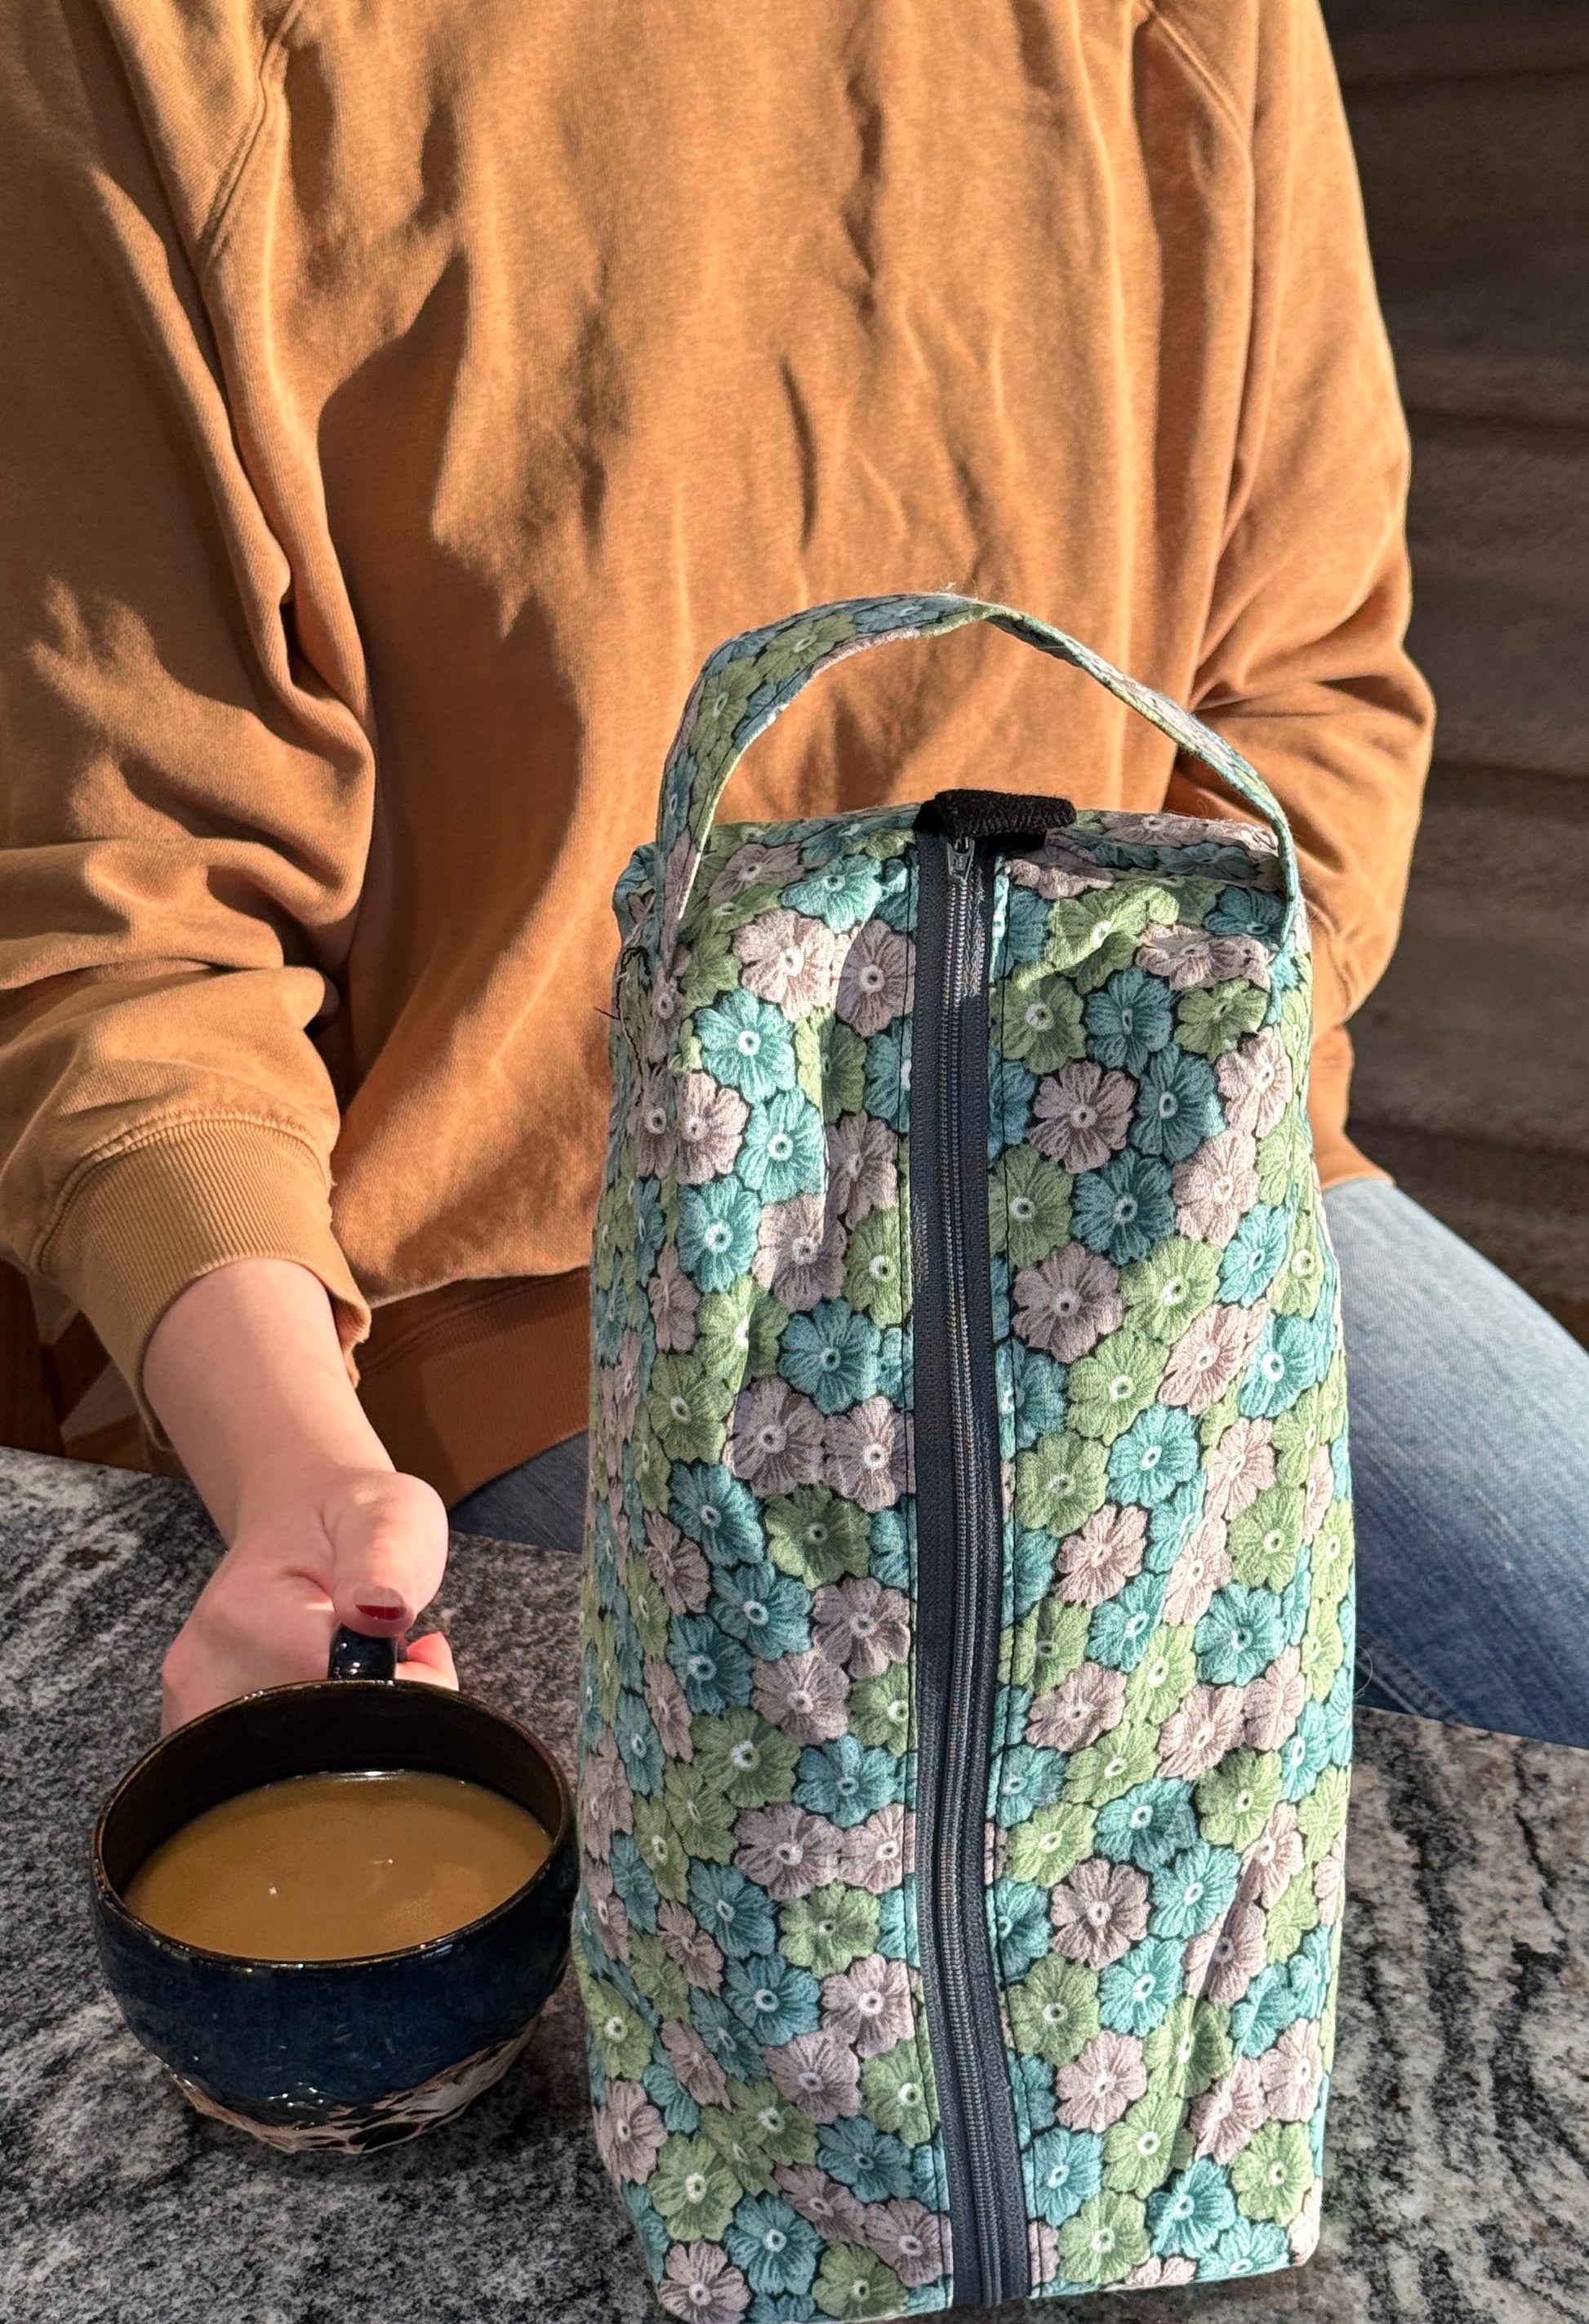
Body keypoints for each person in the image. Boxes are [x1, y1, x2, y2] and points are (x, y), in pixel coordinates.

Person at [3, 2, 1587, 1747]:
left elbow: (1302, 685)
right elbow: (125, 915)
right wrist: (296, 1468)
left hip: (1174, 1161)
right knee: (853, 1870)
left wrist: (1135, 1141)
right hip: (522, 1305)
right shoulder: (153, 40)